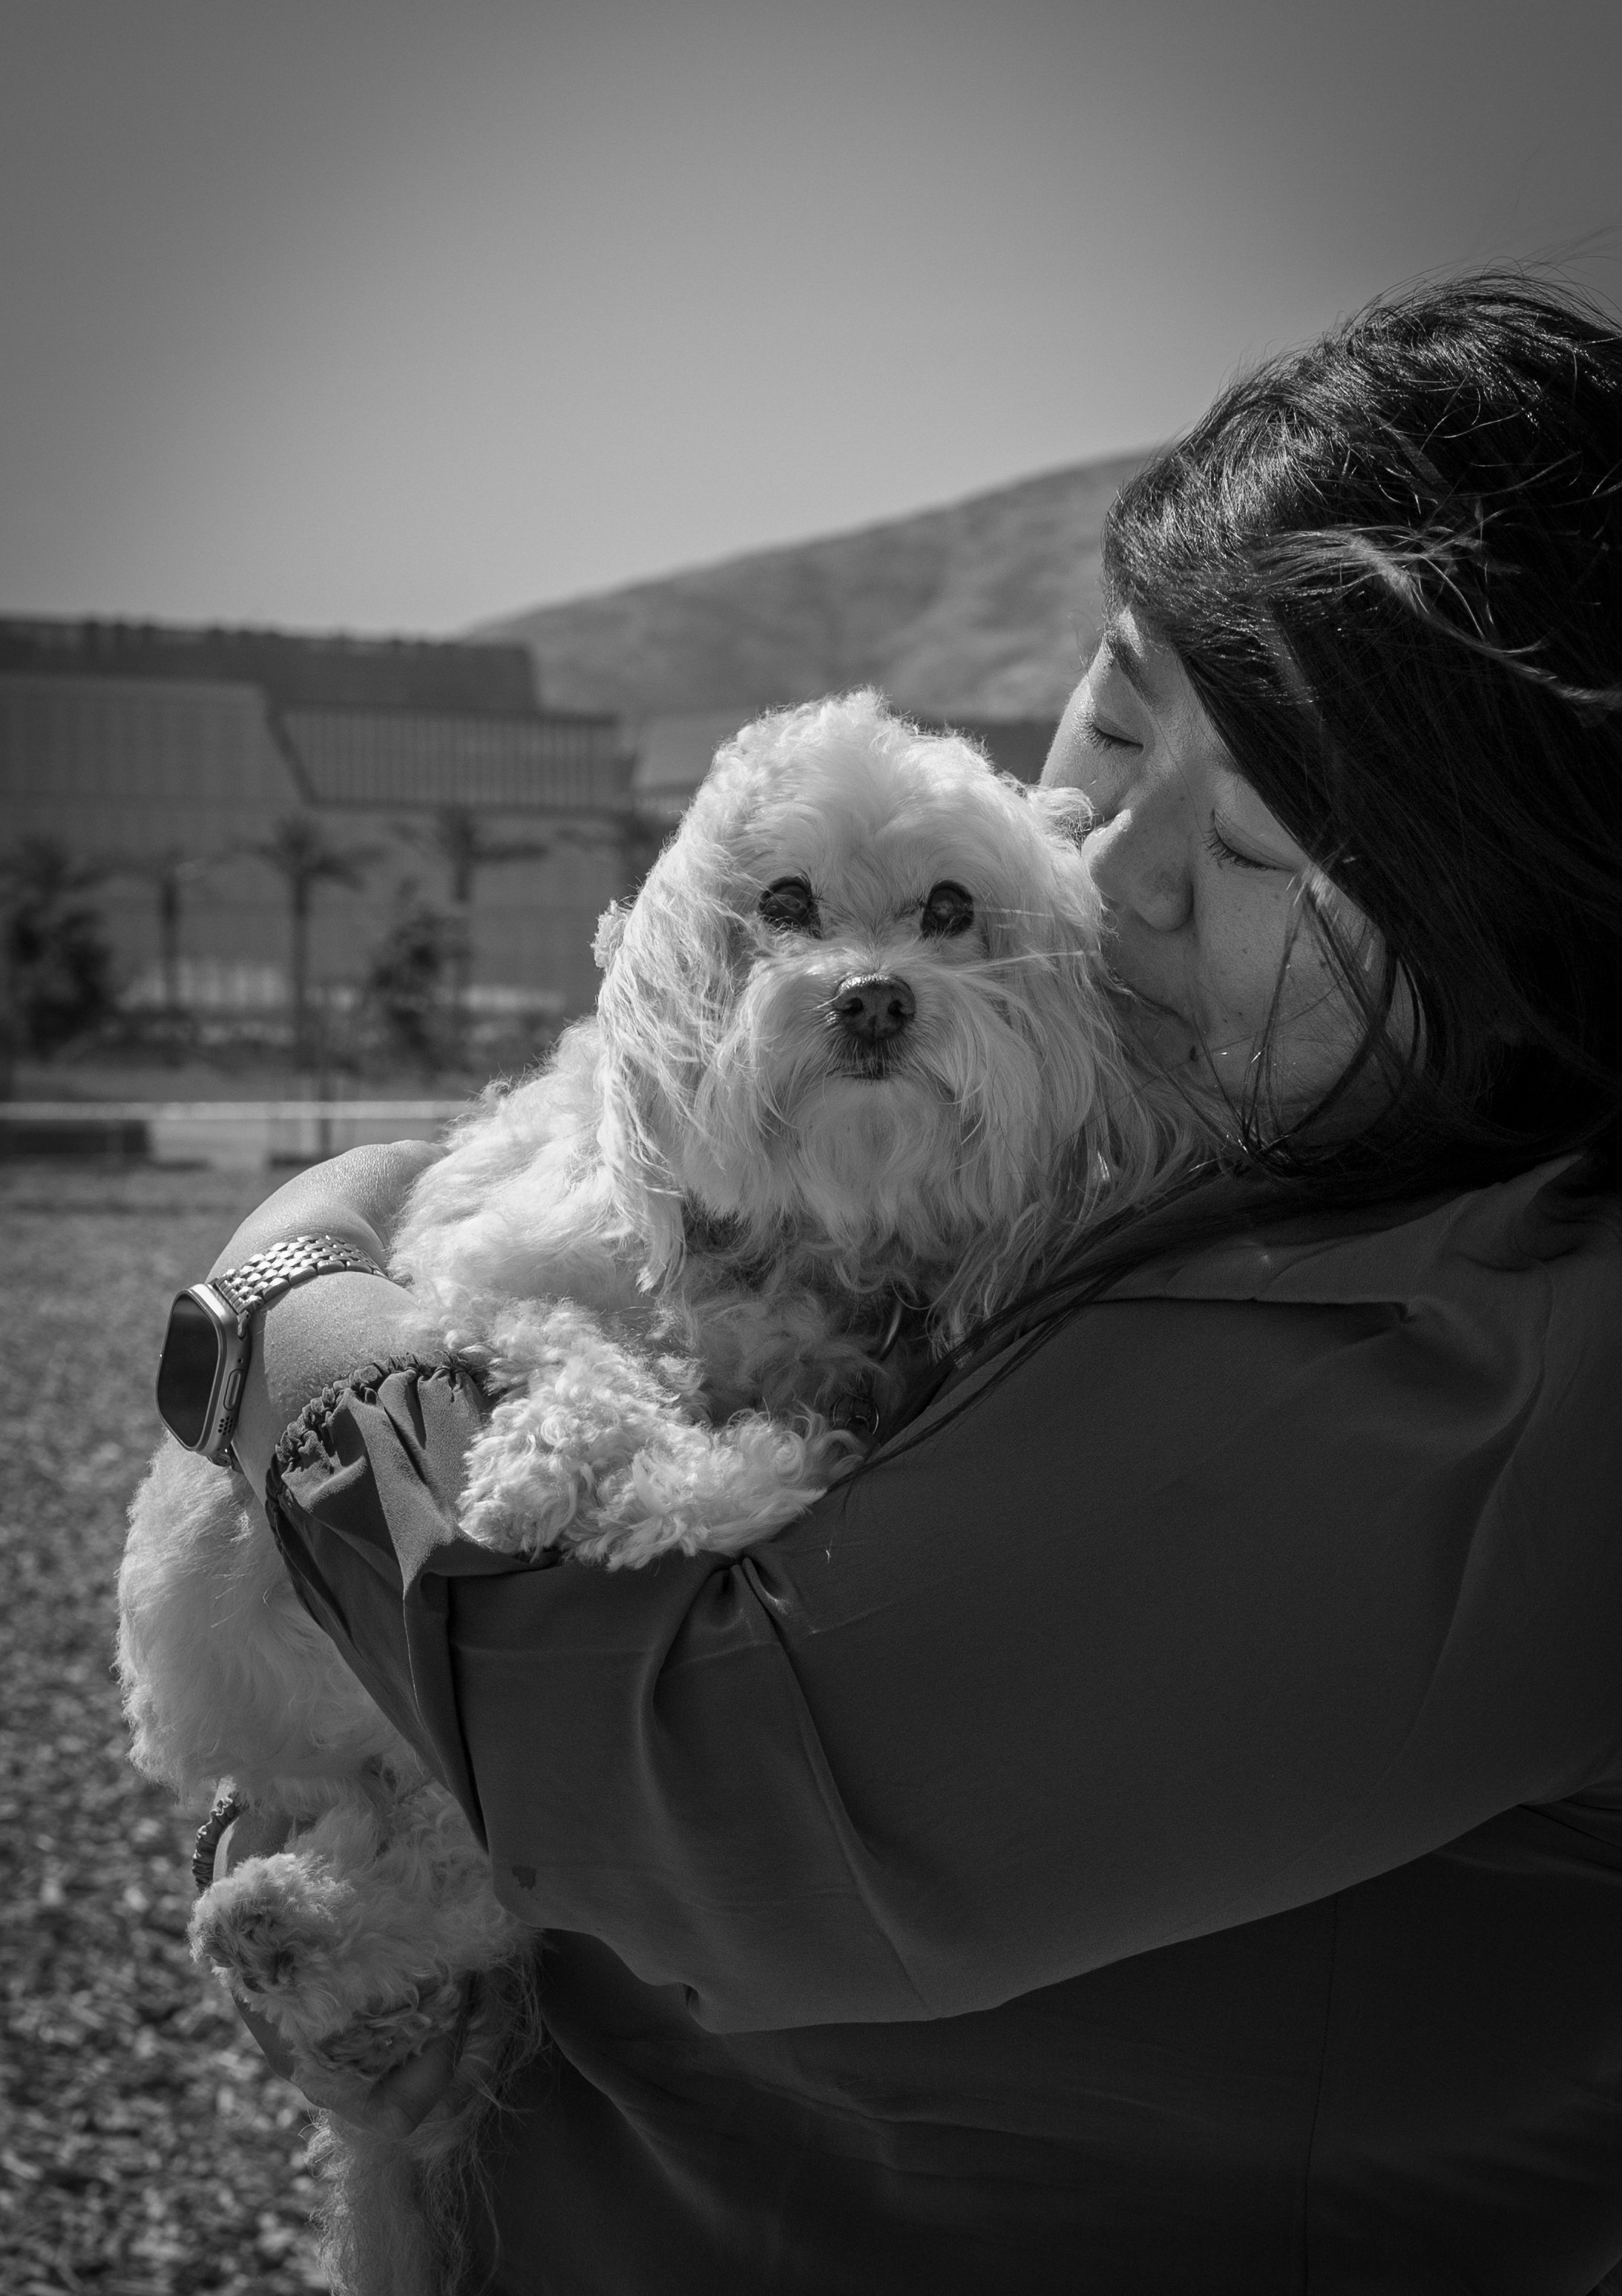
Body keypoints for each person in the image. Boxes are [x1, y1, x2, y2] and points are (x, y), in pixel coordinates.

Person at [202, 276, 1622, 2292]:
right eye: (1114, 707)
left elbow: (681, 1783)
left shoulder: (1481, 1365)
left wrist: (284, 1312)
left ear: (1526, 932)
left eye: (1242, 847)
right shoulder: (1220, 1175)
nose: (1103, 857)